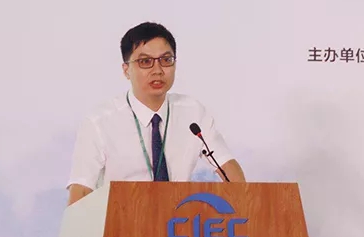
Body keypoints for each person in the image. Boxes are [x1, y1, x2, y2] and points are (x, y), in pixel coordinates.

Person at [66, 21, 245, 205]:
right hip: (120, 218)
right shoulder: (99, 122)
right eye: (145, 62)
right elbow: (81, 189)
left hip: (178, 218)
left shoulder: (192, 112)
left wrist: (243, 203)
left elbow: (226, 164)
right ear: (126, 70)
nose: (158, 70)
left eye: (166, 60)